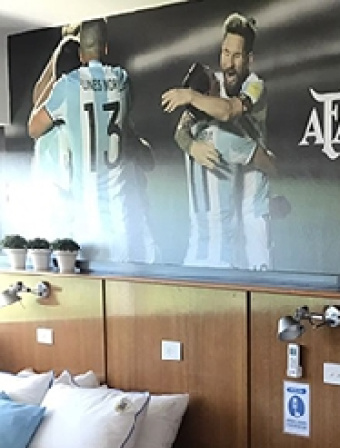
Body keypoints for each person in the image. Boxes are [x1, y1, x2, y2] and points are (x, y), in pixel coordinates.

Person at [28, 18, 158, 264]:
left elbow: (33, 127)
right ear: (105, 48)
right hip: (122, 219)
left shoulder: (67, 87)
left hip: (86, 222)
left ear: (81, 53)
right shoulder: (122, 80)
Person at [162, 13, 271, 271]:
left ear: (249, 59)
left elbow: (229, 111)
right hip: (229, 199)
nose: (229, 63)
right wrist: (192, 147)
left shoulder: (255, 86)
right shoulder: (215, 84)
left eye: (237, 56)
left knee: (260, 281)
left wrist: (190, 96)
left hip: (252, 204)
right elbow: (180, 130)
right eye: (225, 53)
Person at [173, 63, 276, 268]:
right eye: (214, 79)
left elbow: (182, 131)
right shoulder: (224, 137)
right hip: (221, 259)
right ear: (206, 94)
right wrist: (270, 158)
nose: (219, 80)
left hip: (193, 259)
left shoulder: (191, 135)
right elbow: (269, 165)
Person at [29, 26, 79, 239]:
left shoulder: (69, 98)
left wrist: (63, 46)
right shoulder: (60, 94)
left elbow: (33, 125)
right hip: (52, 197)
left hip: (62, 200)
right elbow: (37, 96)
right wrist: (61, 47)